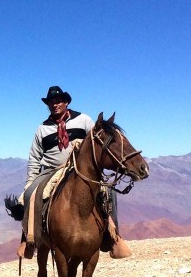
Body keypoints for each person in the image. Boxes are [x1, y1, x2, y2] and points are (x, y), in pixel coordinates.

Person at [18, 85, 131, 260]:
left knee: (108, 192)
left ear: (66, 102)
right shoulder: (43, 128)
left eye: (58, 101)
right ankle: (29, 239)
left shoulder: (83, 120)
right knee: (30, 195)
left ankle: (113, 237)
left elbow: (97, 142)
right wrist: (30, 181)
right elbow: (34, 157)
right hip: (50, 170)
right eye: (51, 102)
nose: (54, 105)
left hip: (79, 169)